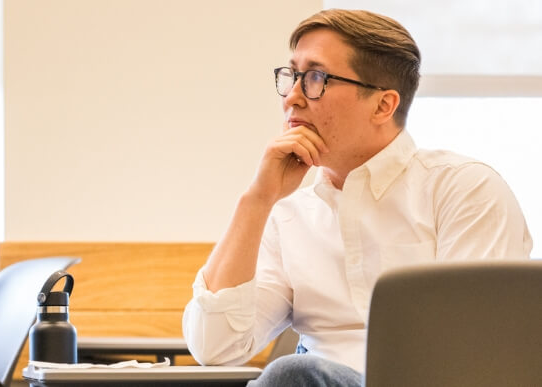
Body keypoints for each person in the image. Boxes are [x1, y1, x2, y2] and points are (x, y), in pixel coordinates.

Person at [182, 8, 533, 387]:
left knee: (291, 373)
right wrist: (256, 200)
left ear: (383, 105)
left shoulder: (463, 189)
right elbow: (214, 347)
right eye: (292, 75)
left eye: (316, 78)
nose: (294, 98)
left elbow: (475, 349)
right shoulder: (287, 214)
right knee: (291, 374)